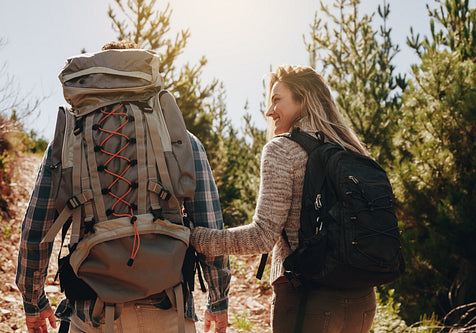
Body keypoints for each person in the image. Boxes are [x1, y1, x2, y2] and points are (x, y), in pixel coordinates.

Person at [16, 41, 230, 333]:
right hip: (168, 307)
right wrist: (218, 300)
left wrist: (33, 299)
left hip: (91, 311)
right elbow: (210, 225)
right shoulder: (179, 139)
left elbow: (36, 229)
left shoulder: (67, 142)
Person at [190, 65, 377, 333]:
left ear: (303, 99)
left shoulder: (282, 149)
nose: (269, 112)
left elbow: (262, 236)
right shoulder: (350, 149)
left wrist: (197, 238)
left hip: (307, 299)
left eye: (277, 99)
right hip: (362, 300)